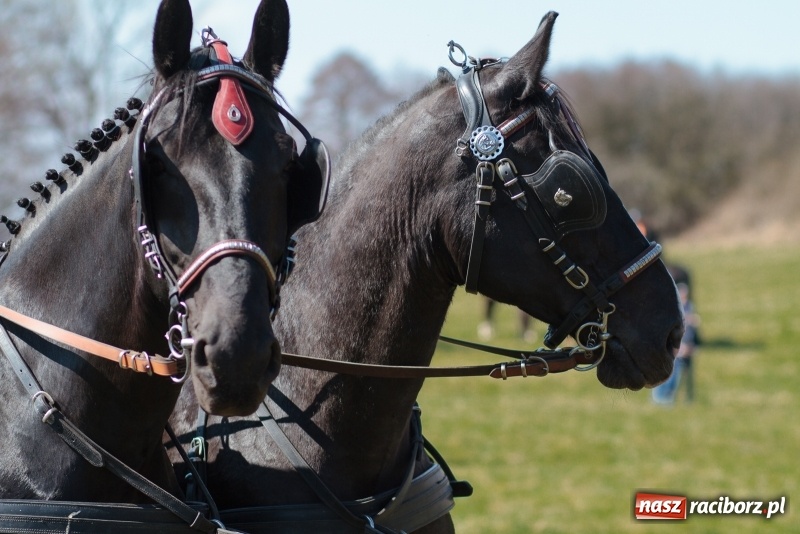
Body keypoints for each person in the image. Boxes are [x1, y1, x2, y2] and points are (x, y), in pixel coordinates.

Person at [652, 282, 699, 404]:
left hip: (683, 349)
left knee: (675, 378)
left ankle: (668, 400)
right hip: (672, 349)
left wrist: (690, 345)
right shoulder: (672, 307)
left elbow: (690, 331)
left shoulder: (689, 307)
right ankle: (658, 399)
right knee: (665, 374)